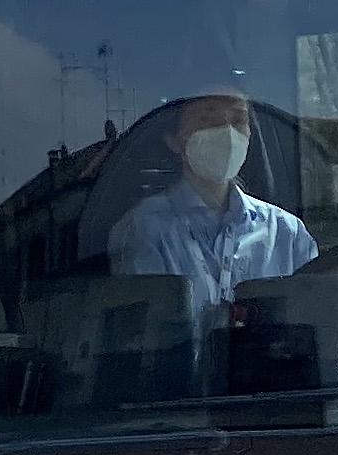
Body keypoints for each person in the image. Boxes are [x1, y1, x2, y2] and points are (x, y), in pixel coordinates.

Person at [108, 88, 317, 313]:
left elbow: (315, 316)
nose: (227, 132)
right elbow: (147, 328)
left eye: (238, 119)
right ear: (175, 140)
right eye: (208, 119)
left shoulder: (288, 232)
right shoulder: (144, 228)